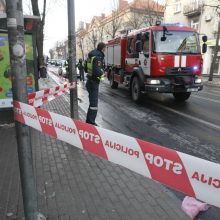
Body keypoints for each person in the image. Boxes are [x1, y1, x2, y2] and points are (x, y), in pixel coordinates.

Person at [85, 42, 106, 126]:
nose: (105, 50)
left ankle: (88, 121)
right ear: (102, 49)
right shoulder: (98, 57)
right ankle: (91, 123)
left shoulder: (91, 55)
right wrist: (103, 75)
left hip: (89, 81)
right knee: (94, 104)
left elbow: (86, 69)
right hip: (94, 82)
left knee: (92, 103)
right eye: (105, 49)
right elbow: (97, 71)